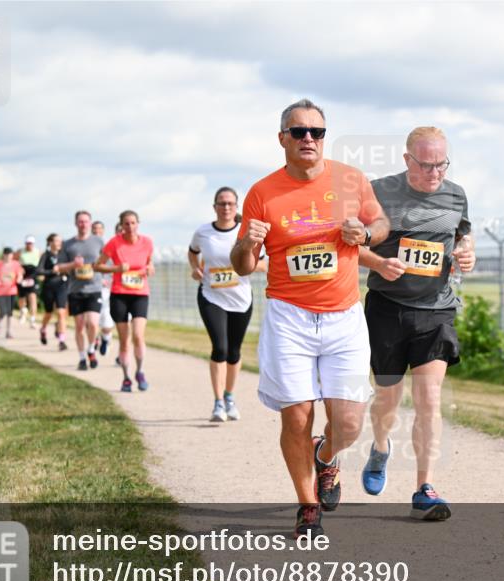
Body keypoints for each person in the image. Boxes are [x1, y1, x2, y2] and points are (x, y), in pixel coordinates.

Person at [230, 99, 390, 537]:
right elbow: (244, 265)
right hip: (290, 317)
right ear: (282, 138)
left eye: (316, 132)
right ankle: (307, 507)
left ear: (324, 138)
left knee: (350, 422)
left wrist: (367, 233)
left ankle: (326, 456)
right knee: (296, 415)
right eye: (298, 132)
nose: (308, 139)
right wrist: (247, 242)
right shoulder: (263, 192)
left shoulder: (351, 180)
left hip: (343, 317)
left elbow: (383, 225)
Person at [358, 126, 476, 521]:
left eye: (441, 165)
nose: (434, 174)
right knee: (387, 400)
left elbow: (463, 235)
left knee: (429, 399)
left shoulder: (456, 194)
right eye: (426, 165)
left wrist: (466, 253)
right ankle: (379, 448)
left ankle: (424, 487)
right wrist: (378, 262)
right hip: (387, 307)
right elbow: (351, 243)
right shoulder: (378, 191)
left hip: (436, 309)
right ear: (408, 160)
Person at [189, 187, 266, 421]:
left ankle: (229, 396)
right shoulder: (203, 232)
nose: (226, 208)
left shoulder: (245, 233)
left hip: (240, 299)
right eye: (221, 204)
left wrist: (243, 265)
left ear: (236, 207)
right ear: (215, 207)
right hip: (211, 296)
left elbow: (263, 264)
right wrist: (195, 268)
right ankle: (218, 403)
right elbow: (192, 252)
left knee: (234, 352)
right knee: (220, 348)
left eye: (230, 204)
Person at [95, 210, 154, 392]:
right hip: (119, 294)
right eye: (126, 224)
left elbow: (150, 263)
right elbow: (97, 265)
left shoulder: (147, 242)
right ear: (121, 225)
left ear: (138, 223)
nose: (130, 227)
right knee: (124, 339)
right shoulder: (114, 243)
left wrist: (150, 268)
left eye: (133, 223)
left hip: (140, 294)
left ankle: (140, 371)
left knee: (138, 335)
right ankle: (126, 378)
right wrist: (117, 268)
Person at [56, 211, 104, 370]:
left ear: (90, 223)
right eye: (80, 222)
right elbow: (59, 267)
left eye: (86, 221)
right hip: (75, 289)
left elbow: (107, 262)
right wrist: (72, 265)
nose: (83, 224)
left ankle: (91, 349)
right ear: (76, 224)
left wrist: (101, 270)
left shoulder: (98, 242)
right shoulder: (68, 244)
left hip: (94, 288)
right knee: (79, 326)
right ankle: (82, 358)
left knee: (93, 322)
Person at [37, 233, 69, 350]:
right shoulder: (45, 255)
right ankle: (43, 329)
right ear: (50, 242)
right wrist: (52, 272)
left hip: (62, 287)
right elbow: (39, 271)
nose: (59, 243)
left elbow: (70, 268)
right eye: (56, 241)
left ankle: (62, 340)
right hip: (48, 287)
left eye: (60, 241)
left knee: (61, 313)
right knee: (49, 313)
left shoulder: (64, 256)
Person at [92, 220, 114, 357]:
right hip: (90, 288)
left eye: (99, 229)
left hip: (106, 289)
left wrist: (109, 280)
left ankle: (106, 338)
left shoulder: (109, 247)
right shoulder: (87, 247)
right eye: (94, 229)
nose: (96, 231)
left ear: (103, 231)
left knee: (106, 319)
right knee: (92, 319)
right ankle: (94, 340)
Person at [0, 247, 23, 338]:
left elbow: (20, 274)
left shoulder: (16, 264)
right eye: (7, 254)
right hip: (0, 291)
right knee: (3, 311)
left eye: (10, 254)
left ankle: (8, 331)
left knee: (9, 312)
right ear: (4, 255)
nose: (9, 256)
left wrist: (19, 279)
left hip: (11, 290)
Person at [16, 235, 41, 328]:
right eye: (27, 243)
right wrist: (18, 272)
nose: (29, 245)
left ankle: (33, 319)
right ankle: (23, 311)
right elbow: (15, 262)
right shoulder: (20, 252)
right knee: (21, 297)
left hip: (33, 275)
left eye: (30, 243)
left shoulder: (38, 252)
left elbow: (41, 264)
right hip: (23, 274)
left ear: (33, 244)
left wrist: (40, 274)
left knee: (33, 297)